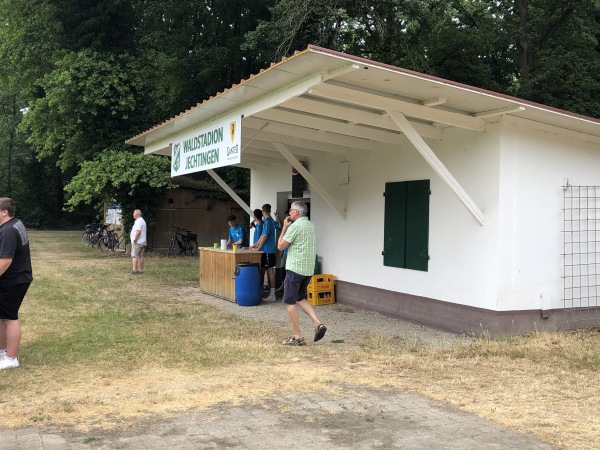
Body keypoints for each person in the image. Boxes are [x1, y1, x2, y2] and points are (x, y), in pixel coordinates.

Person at [277, 201, 326, 346]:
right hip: (307, 270)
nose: (289, 213)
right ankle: (318, 324)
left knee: (289, 302)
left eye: (291, 210)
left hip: (295, 269)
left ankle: (298, 337)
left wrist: (284, 227)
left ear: (296, 212)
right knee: (299, 297)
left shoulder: (295, 226)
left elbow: (280, 246)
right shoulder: (311, 225)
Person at [0, 198, 33, 370]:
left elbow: (5, 260)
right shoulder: (16, 223)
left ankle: (11, 358)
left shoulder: (8, 231)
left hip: (12, 280)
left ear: (4, 212)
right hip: (15, 278)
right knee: (2, 316)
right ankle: (2, 351)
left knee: (9, 317)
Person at [253, 204, 278, 301]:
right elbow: (262, 237)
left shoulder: (267, 222)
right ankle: (267, 292)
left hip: (268, 250)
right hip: (266, 250)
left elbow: (265, 237)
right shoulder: (269, 220)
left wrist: (257, 248)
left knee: (270, 271)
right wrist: (255, 247)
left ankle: (272, 294)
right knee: (265, 270)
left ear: (263, 211)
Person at [130, 209, 147, 275]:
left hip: (138, 242)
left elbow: (138, 231)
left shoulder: (139, 221)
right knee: (141, 256)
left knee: (134, 255)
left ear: (136, 214)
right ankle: (140, 270)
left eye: (134, 213)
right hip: (142, 242)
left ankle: (134, 270)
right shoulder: (142, 220)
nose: (133, 214)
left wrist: (135, 240)